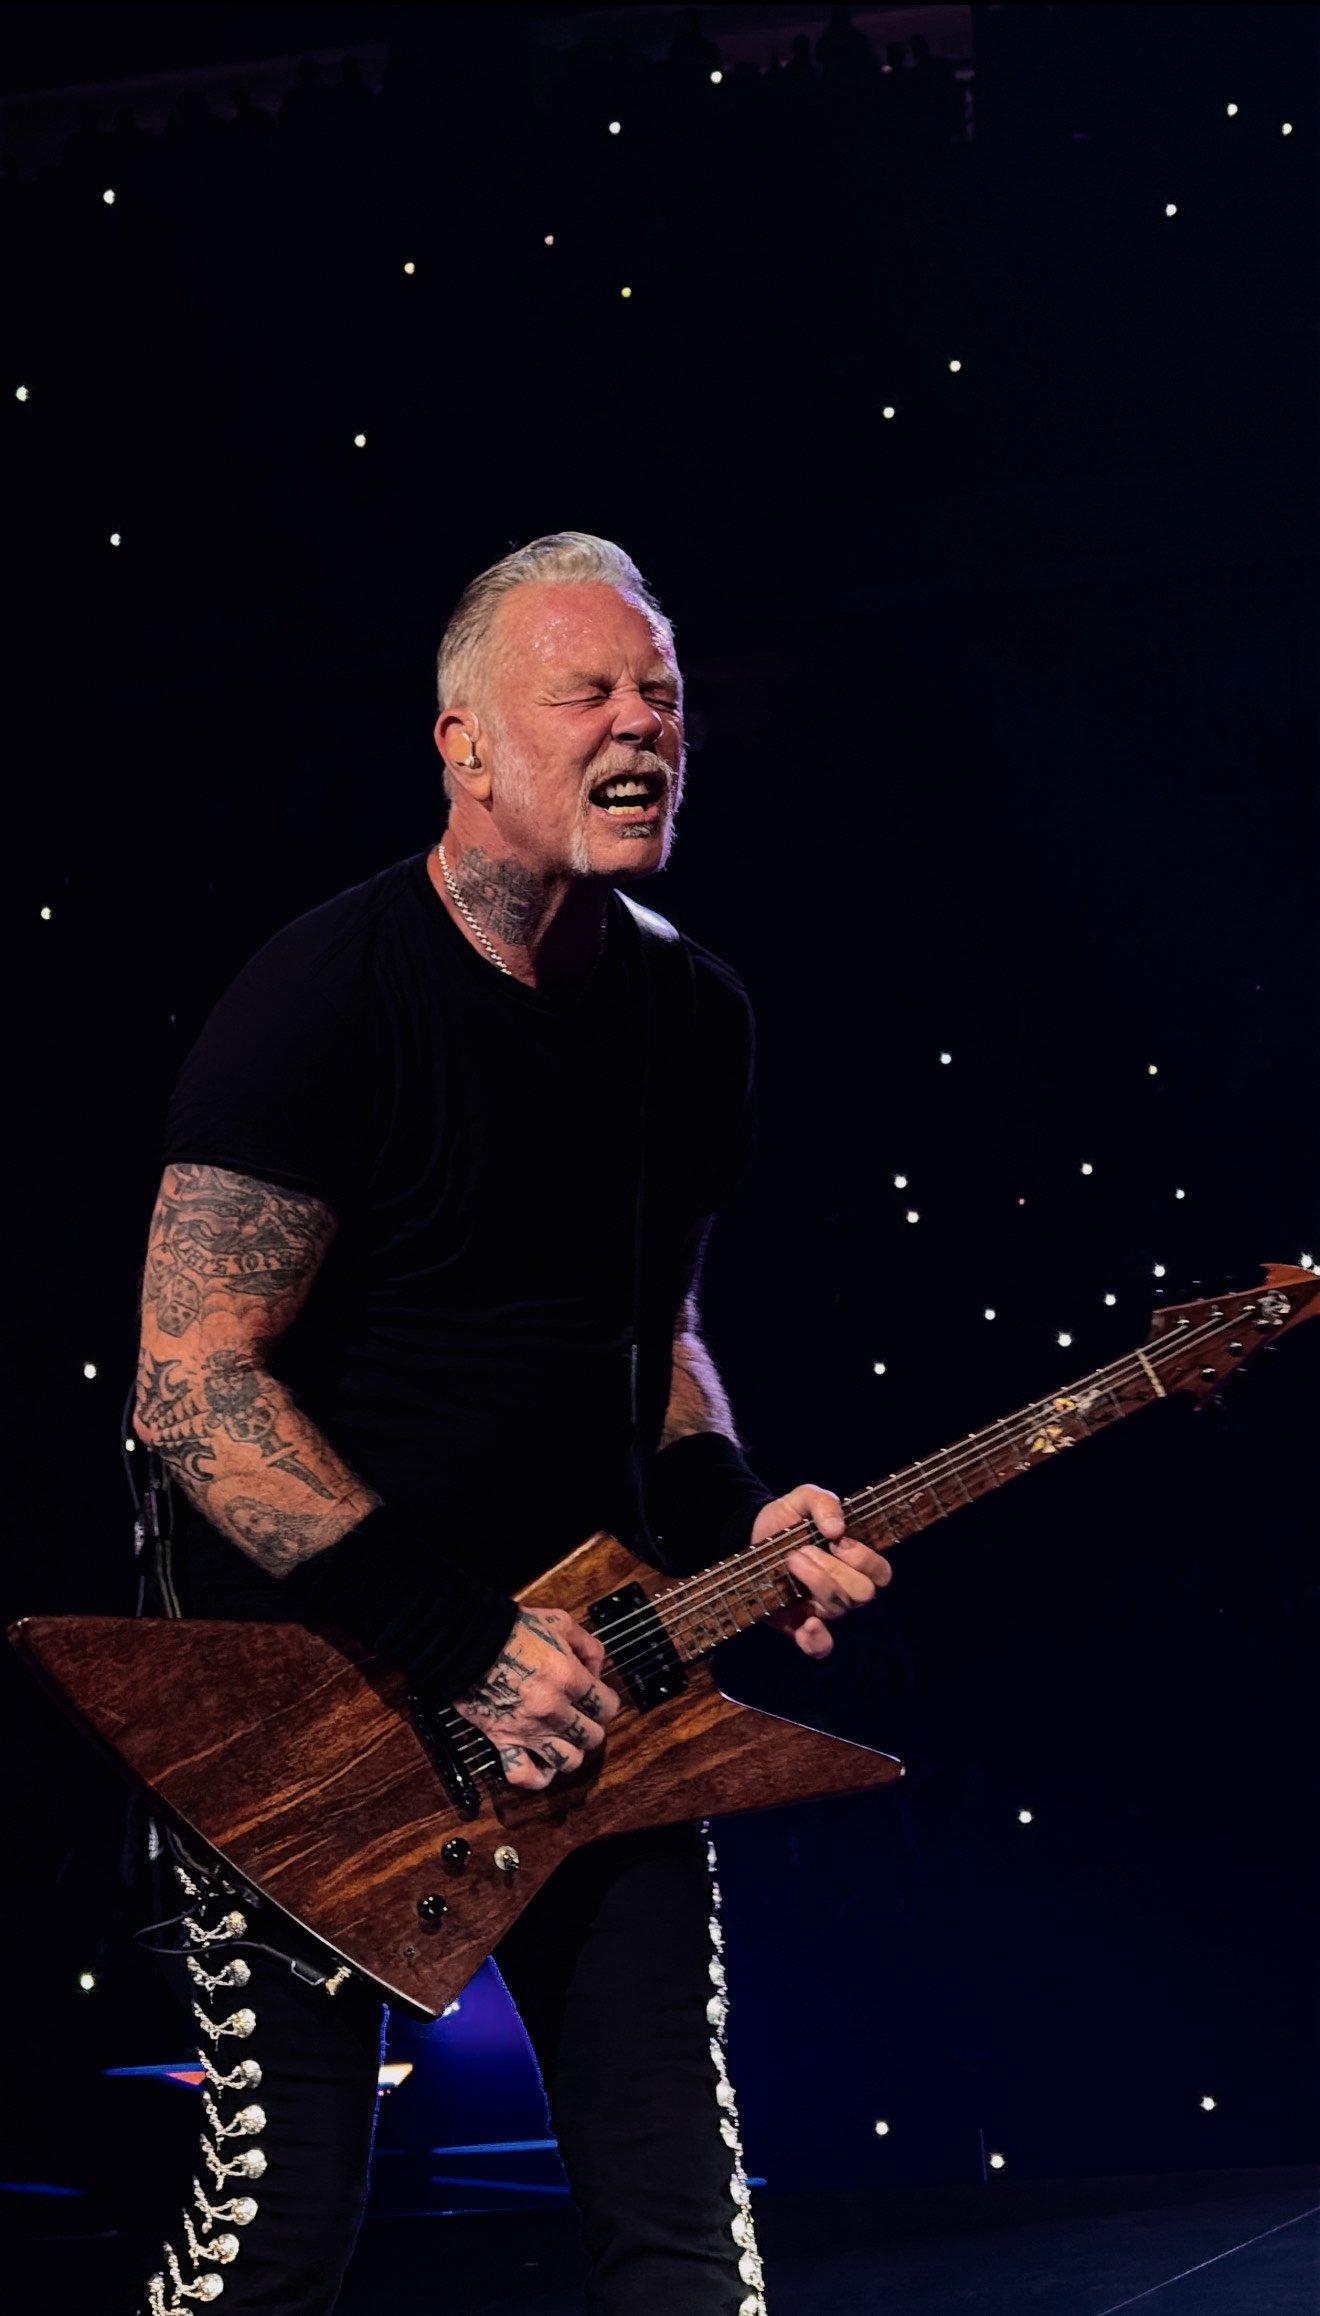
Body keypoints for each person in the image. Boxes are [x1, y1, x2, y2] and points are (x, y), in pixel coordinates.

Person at [130, 531, 891, 2316]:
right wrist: (457, 1639)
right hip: (313, 1709)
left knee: (681, 2219)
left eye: (667, 697)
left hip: (601, 1683)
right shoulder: (322, 998)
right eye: (591, 696)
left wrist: (736, 1522)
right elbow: (188, 1382)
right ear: (467, 742)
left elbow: (663, 1338)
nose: (645, 729)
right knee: (278, 2234)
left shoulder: (697, 1017)